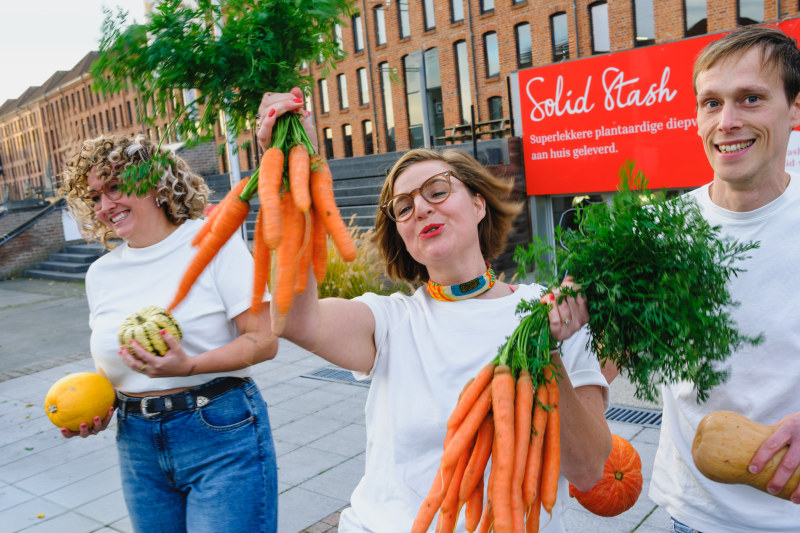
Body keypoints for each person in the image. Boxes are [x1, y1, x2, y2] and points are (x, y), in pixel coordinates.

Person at [255, 90, 612, 532]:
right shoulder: (391, 320)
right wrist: (291, 176)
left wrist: (547, 352)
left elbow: (588, 469)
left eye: (437, 191)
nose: (421, 207)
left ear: (478, 204)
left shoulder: (554, 312)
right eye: (403, 207)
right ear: (403, 237)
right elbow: (294, 319)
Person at [58, 134, 279, 533]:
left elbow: (263, 340)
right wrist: (97, 409)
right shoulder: (100, 274)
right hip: (137, 444)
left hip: (218, 430)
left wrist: (189, 365)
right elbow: (114, 367)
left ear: (155, 183)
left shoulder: (213, 241)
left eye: (114, 187)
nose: (104, 206)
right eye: (94, 197)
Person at [643, 25, 800, 532]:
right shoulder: (658, 233)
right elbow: (606, 357)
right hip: (694, 515)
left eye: (750, 98)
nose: (727, 122)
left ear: (794, 109)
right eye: (711, 103)